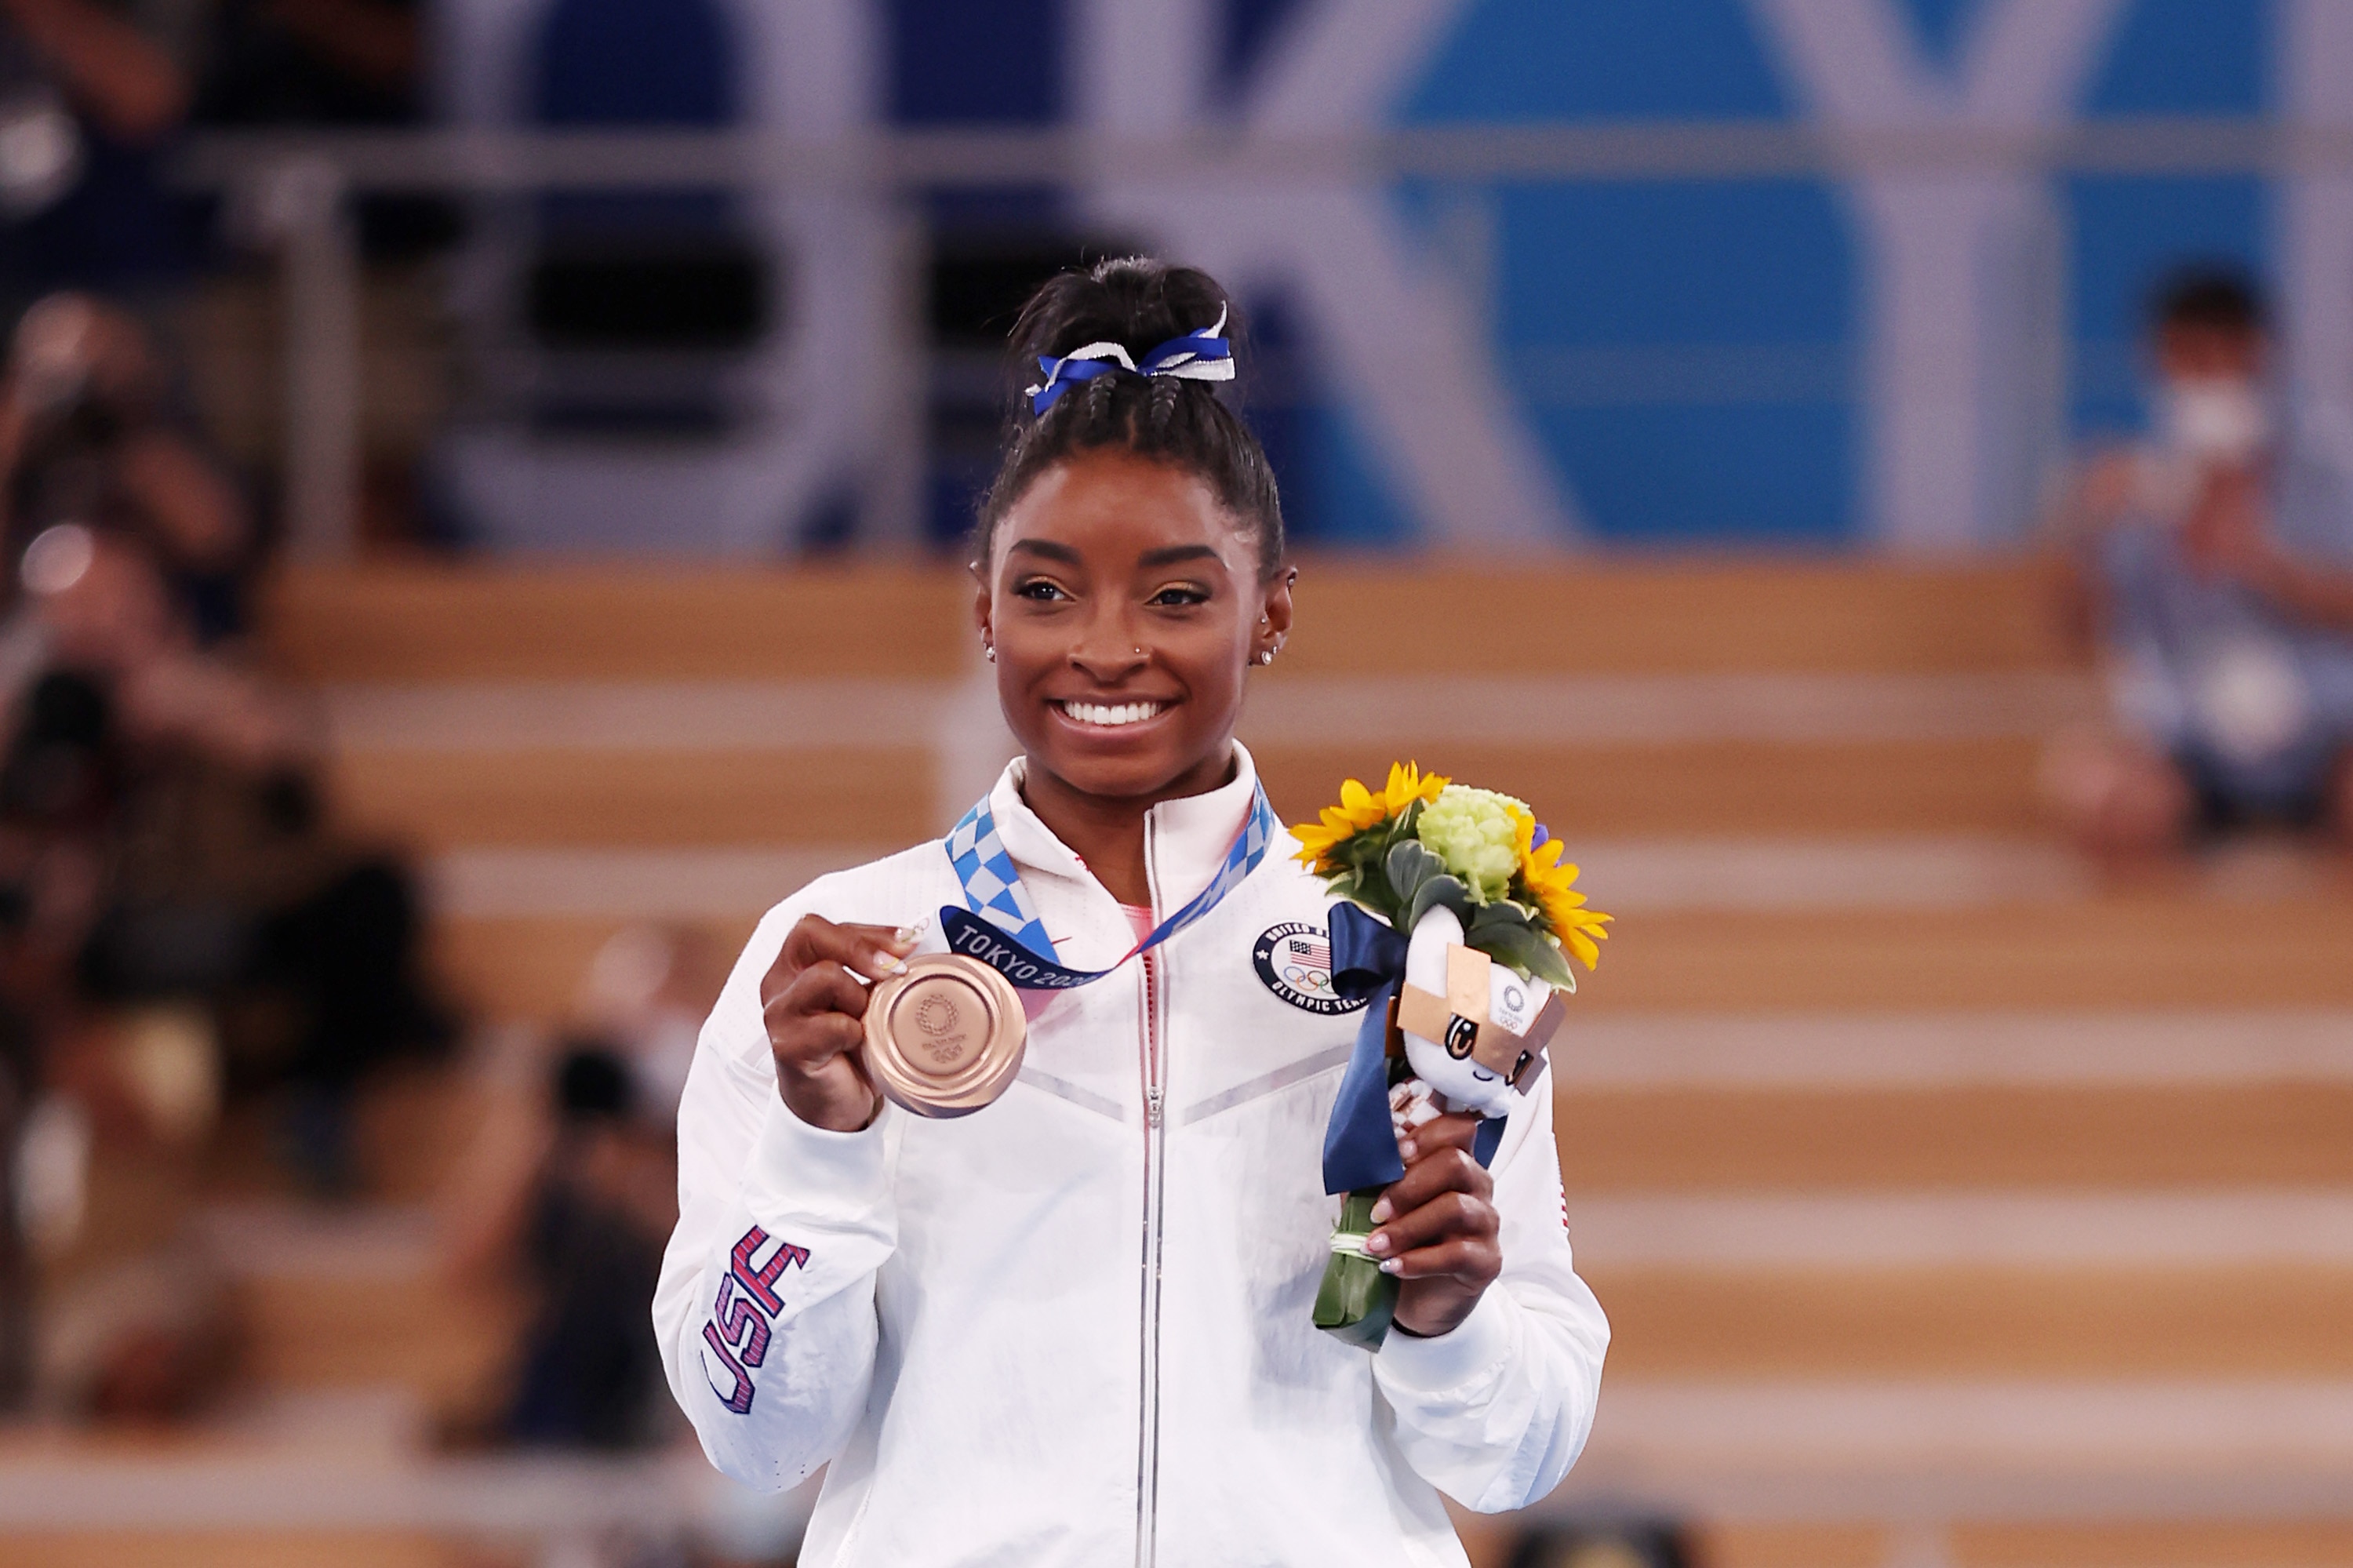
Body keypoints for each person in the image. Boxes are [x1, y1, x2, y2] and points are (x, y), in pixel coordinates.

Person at [655, 259, 1608, 1563]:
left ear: (1269, 606)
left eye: (1175, 594)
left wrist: (1449, 1326)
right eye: (1047, 591)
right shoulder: (838, 951)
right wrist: (817, 1154)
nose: (1105, 647)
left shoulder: (1419, 944)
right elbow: (750, 1435)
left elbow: (1523, 1450)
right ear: (982, 606)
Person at [2041, 267, 2353, 853]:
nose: (2205, 377)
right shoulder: (2132, 488)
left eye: (2221, 357)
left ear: (2261, 357)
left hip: (2327, 734)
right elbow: (2077, 631)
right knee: (2108, 801)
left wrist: (2266, 565)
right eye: (2185, 359)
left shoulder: (2332, 475)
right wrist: (2082, 534)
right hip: (2187, 739)